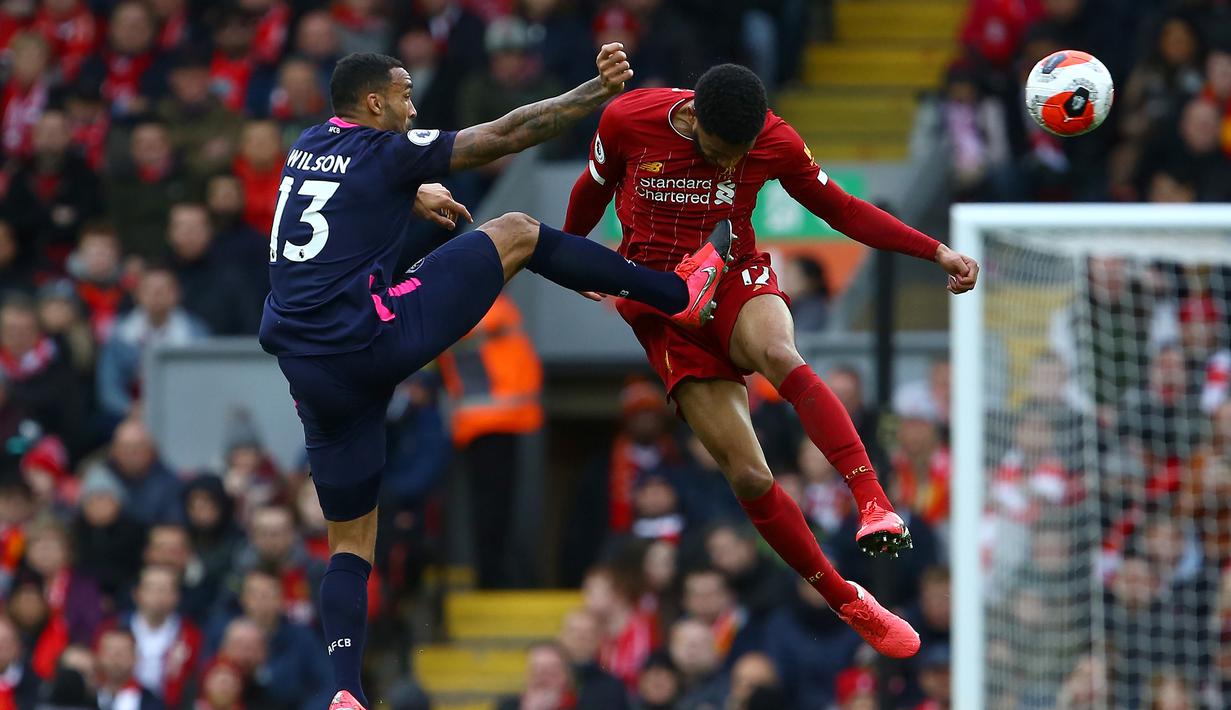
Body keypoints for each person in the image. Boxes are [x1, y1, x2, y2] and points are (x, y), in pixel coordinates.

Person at [261, 47, 733, 710]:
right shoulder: (384, 151)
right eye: (403, 93)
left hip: (309, 372)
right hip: (368, 342)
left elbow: (346, 192)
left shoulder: (308, 145)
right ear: (374, 104)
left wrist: (413, 190)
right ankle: (672, 292)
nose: (413, 105)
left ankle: (345, 692)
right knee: (515, 233)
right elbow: (507, 134)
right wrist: (590, 94)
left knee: (350, 541)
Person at [563, 63, 981, 657]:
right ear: (693, 121)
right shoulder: (629, 119)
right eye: (720, 151)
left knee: (781, 353)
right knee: (750, 476)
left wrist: (934, 250)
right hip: (661, 309)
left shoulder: (775, 140)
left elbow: (842, 210)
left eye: (742, 153)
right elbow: (591, 189)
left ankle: (873, 504)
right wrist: (572, 252)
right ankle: (847, 599)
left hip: (733, 279)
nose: (732, 164)